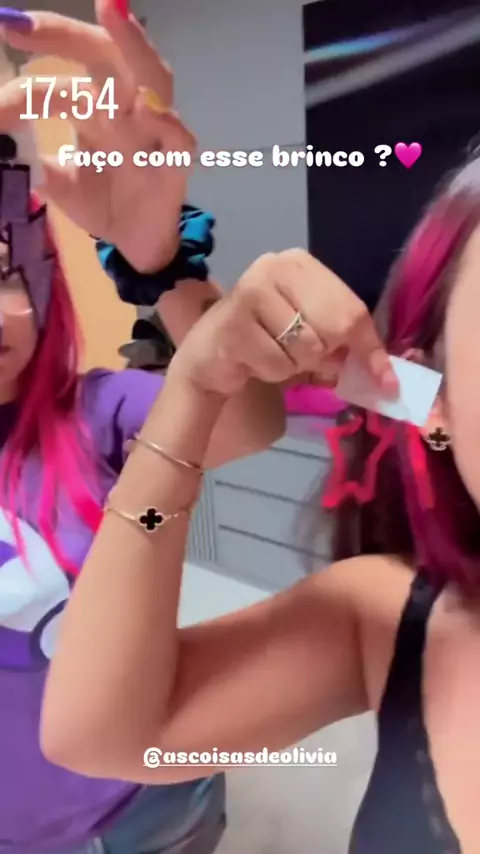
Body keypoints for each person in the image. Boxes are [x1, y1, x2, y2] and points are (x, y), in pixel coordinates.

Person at [41, 144, 480, 854]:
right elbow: (102, 736)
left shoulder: (95, 404)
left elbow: (249, 423)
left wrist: (172, 288)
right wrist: (193, 383)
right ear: (438, 404)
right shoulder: (393, 621)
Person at [0, 4, 285, 854]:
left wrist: (161, 260)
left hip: (149, 812)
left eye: (4, 271)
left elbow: (249, 420)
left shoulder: (96, 414)